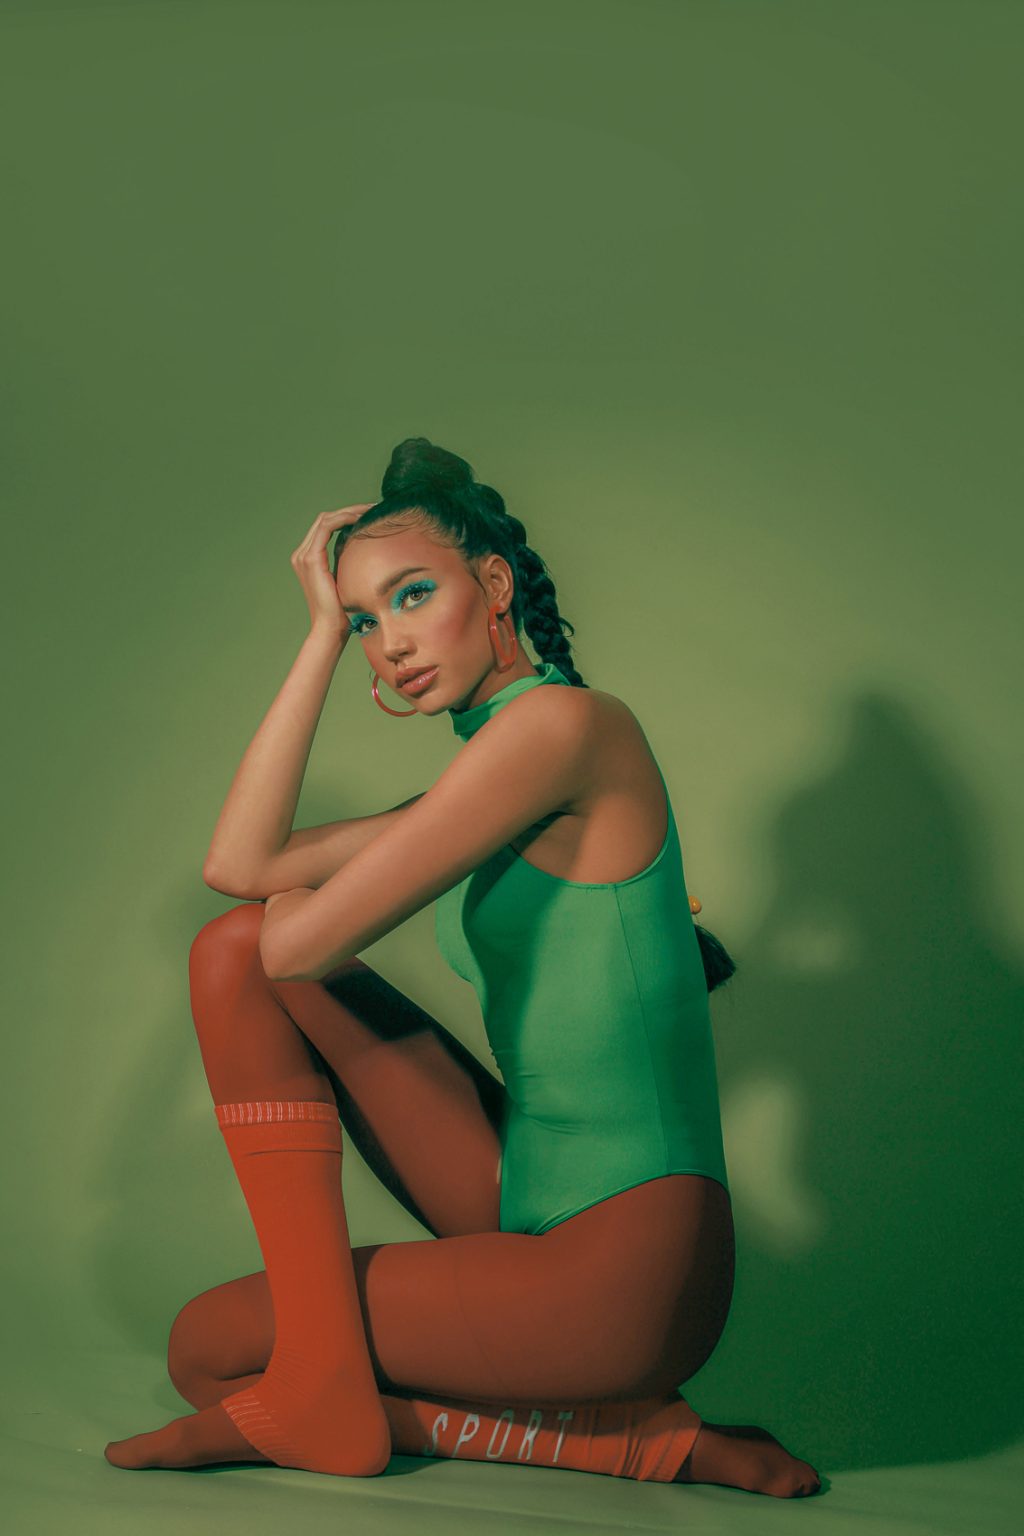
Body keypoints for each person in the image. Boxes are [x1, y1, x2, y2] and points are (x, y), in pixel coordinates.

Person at [104, 437, 821, 1497]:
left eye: (411, 595)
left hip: (622, 1276)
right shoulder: (493, 773)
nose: (388, 643)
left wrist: (310, 903)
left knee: (206, 1352)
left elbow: (296, 947)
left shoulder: (565, 730)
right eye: (364, 622)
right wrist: (315, 638)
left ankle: (343, 1392)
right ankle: (412, 1400)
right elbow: (239, 869)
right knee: (230, 949)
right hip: (526, 1200)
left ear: (492, 585)